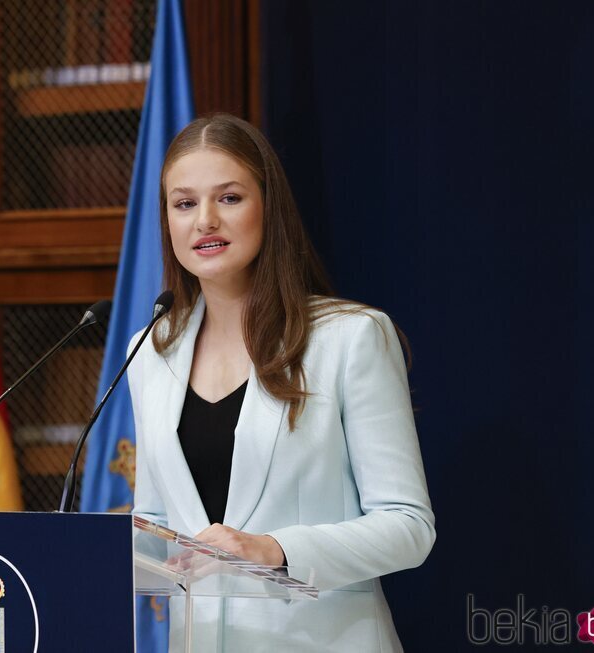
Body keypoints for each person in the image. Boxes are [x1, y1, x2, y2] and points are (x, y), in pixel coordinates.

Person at [128, 113, 435, 652]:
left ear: (268, 208)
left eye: (228, 198)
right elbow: (157, 521)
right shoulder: (152, 352)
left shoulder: (349, 338)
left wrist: (272, 548)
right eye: (184, 203)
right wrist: (101, 541)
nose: (204, 221)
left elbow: (408, 527)